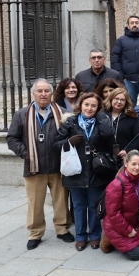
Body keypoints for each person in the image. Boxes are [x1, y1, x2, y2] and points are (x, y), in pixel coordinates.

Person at [6, 79, 74, 250]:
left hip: (58, 166)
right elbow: (12, 138)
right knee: (35, 202)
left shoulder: (63, 113)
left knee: (61, 201)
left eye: (46, 91)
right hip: (34, 167)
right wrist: (25, 153)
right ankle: (36, 232)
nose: (43, 94)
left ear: (52, 94)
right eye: (40, 91)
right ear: (33, 93)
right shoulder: (21, 114)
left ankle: (62, 229)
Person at [54, 92, 114, 251]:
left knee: (94, 205)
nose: (89, 108)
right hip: (76, 171)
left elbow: (109, 137)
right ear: (80, 105)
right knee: (79, 205)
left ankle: (95, 235)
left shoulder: (101, 121)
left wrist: (101, 117)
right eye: (86, 104)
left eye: (93, 105)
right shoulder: (71, 122)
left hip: (95, 171)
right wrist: (68, 142)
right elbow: (55, 144)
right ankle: (80, 236)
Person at [102, 151, 139, 260]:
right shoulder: (116, 185)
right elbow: (113, 214)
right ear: (126, 163)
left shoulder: (138, 179)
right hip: (117, 225)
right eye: (133, 164)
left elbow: (136, 194)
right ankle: (107, 239)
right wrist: (128, 230)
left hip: (133, 222)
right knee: (138, 254)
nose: (137, 167)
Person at [111, 16, 139, 105]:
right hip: (128, 80)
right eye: (132, 23)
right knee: (130, 105)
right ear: (128, 25)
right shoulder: (120, 41)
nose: (134, 25)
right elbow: (115, 59)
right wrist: (121, 76)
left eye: (136, 23)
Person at [102, 88, 139, 166]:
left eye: (122, 100)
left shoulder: (132, 117)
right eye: (116, 99)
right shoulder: (102, 115)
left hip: (124, 158)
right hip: (104, 159)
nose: (119, 102)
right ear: (111, 99)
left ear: (126, 102)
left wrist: (127, 151)